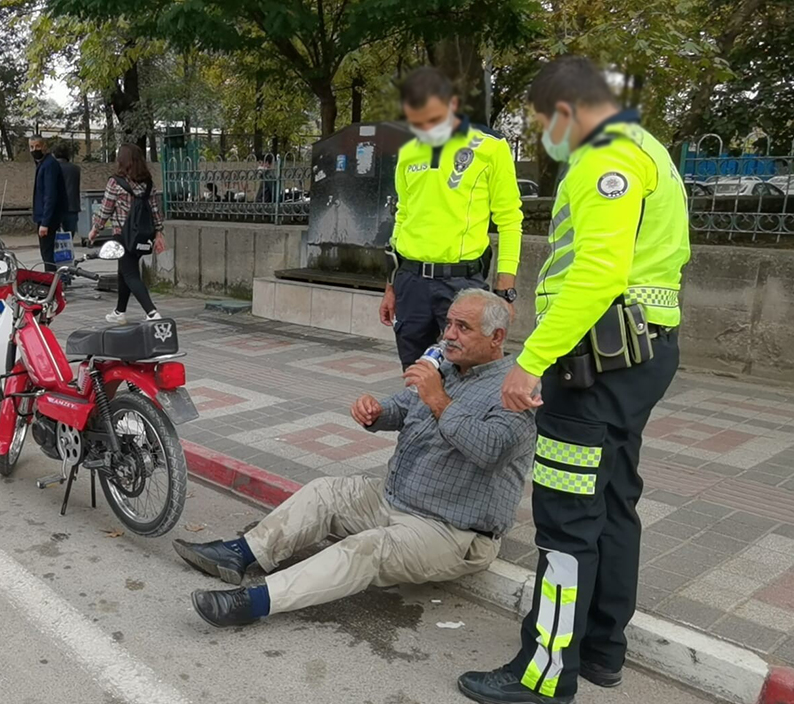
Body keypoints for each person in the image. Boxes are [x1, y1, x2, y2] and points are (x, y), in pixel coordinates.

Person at [458, 57, 690, 704]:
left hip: (593, 365)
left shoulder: (602, 159)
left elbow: (597, 274)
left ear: (565, 110)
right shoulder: (650, 150)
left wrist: (532, 360)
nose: (543, 135)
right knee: (614, 502)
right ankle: (601, 651)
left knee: (565, 522)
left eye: (540, 121)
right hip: (640, 357)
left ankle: (544, 672)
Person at [177, 290, 534, 627]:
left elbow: (490, 450)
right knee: (323, 492)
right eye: (449, 324)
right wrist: (376, 411)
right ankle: (241, 553)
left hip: (452, 530)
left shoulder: (515, 390)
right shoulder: (450, 369)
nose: (448, 335)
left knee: (365, 549)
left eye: (463, 328)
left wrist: (438, 398)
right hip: (395, 499)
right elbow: (406, 404)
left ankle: (254, 602)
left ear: (497, 337)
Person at [382, 67, 524, 368]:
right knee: (416, 374)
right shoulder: (408, 151)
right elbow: (403, 215)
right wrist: (391, 286)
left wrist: (504, 290)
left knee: (467, 372)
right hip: (411, 284)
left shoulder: (490, 147)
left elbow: (510, 219)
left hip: (461, 283)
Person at [87, 143, 167, 323]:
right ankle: (119, 312)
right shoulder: (148, 183)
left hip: (122, 235)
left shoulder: (115, 182)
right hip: (142, 235)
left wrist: (95, 230)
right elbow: (155, 211)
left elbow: (106, 210)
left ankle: (152, 312)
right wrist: (158, 233)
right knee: (124, 270)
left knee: (130, 273)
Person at [30, 135, 69, 271]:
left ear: (44, 147)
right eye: (31, 147)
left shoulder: (49, 165)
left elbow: (50, 194)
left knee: (48, 254)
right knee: (47, 253)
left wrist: (45, 222)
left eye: (37, 146)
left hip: (47, 218)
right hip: (45, 216)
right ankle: (52, 281)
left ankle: (52, 282)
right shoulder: (44, 164)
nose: (34, 150)